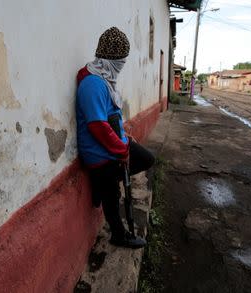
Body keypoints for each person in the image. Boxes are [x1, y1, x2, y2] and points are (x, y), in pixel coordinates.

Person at [76, 27, 154, 249]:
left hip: (108, 145)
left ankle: (102, 185)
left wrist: (124, 137)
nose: (121, 67)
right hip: (98, 152)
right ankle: (119, 234)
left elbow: (110, 118)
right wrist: (121, 149)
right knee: (113, 192)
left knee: (146, 158)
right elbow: (97, 125)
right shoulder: (93, 84)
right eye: (121, 62)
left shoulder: (103, 79)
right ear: (111, 60)